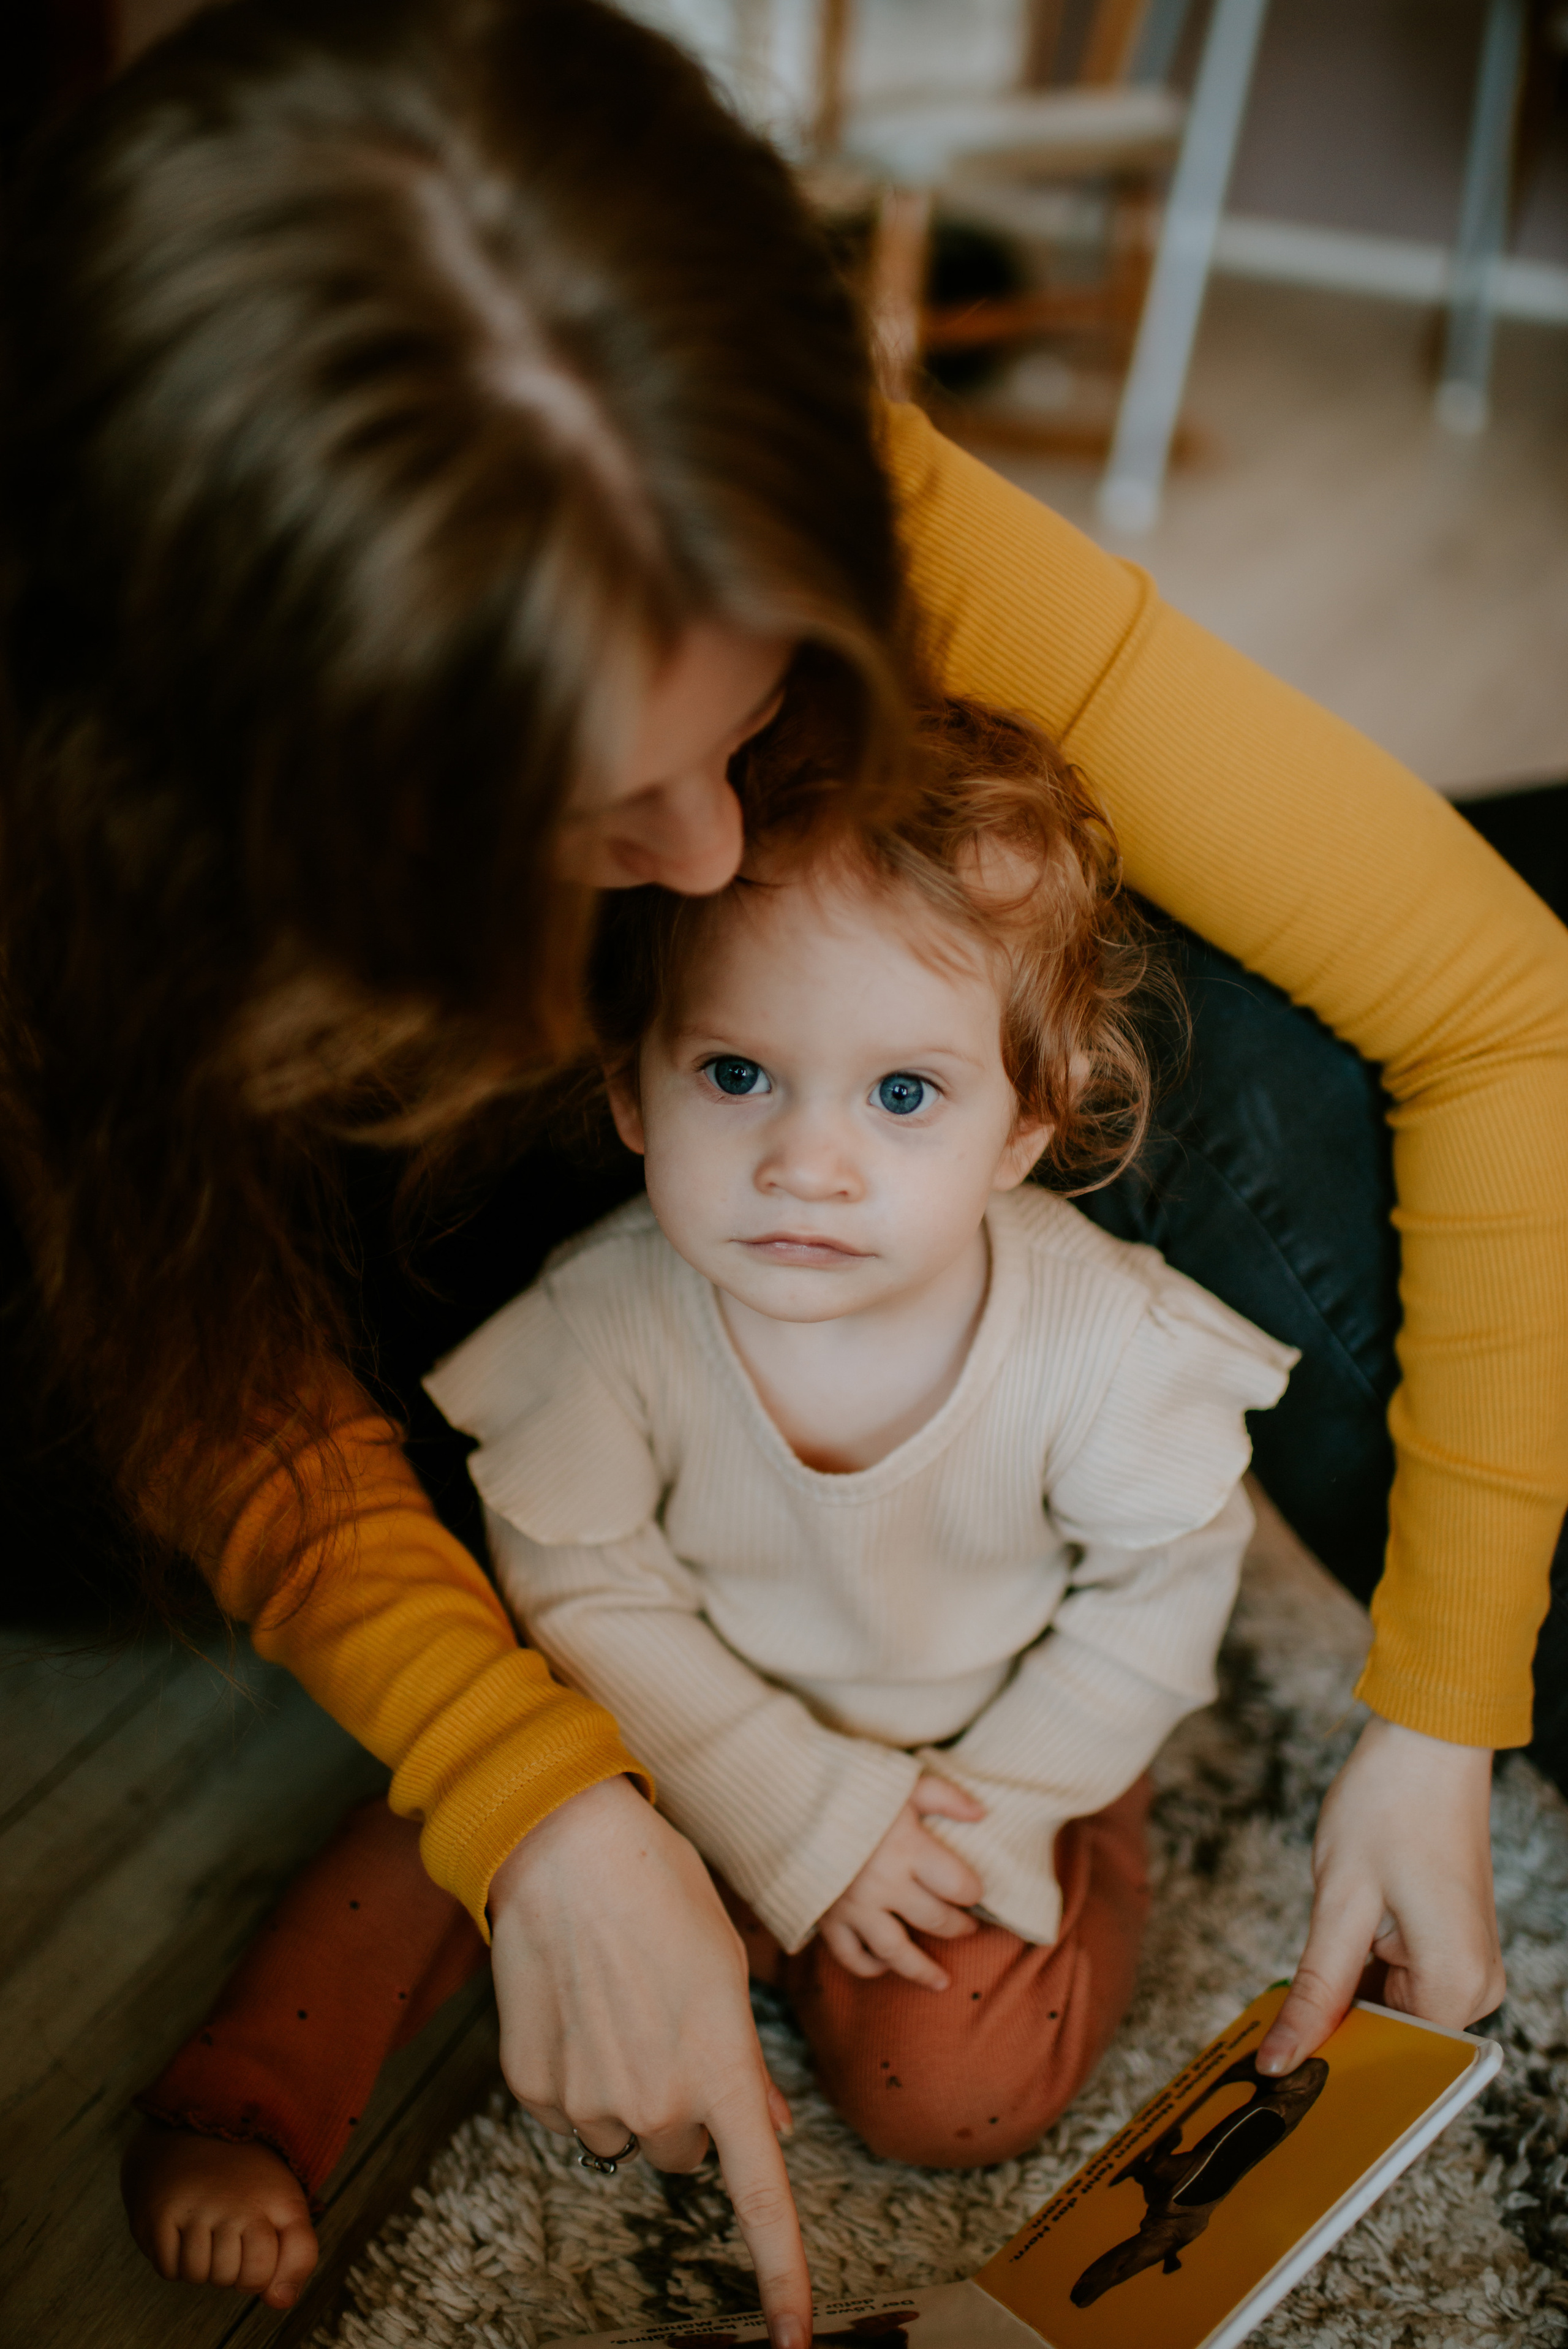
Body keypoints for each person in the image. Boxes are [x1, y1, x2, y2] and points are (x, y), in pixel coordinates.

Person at [3, 0, 1563, 2337]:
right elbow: (177, 1329)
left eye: (745, 731)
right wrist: (521, 1780)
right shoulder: (116, 879)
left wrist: (1439, 1717)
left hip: (813, 1307)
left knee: (1170, 967)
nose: (706, 846)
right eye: (588, 812)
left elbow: (1484, 990)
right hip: (367, 1316)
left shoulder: (785, 483)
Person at [126, 696, 1295, 2282]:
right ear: (629, 1090)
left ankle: (893, 1910)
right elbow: (583, 1587)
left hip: (971, 1755)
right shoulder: (606, 1321)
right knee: (436, 1833)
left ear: (1026, 1124)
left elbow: (1160, 1592)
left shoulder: (1097, 1339)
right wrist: (788, 1811)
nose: (807, 1162)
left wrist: (1004, 1810)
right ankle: (256, 2098)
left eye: (901, 1096)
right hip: (676, 1724)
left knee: (948, 2085)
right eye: (739, 1072)